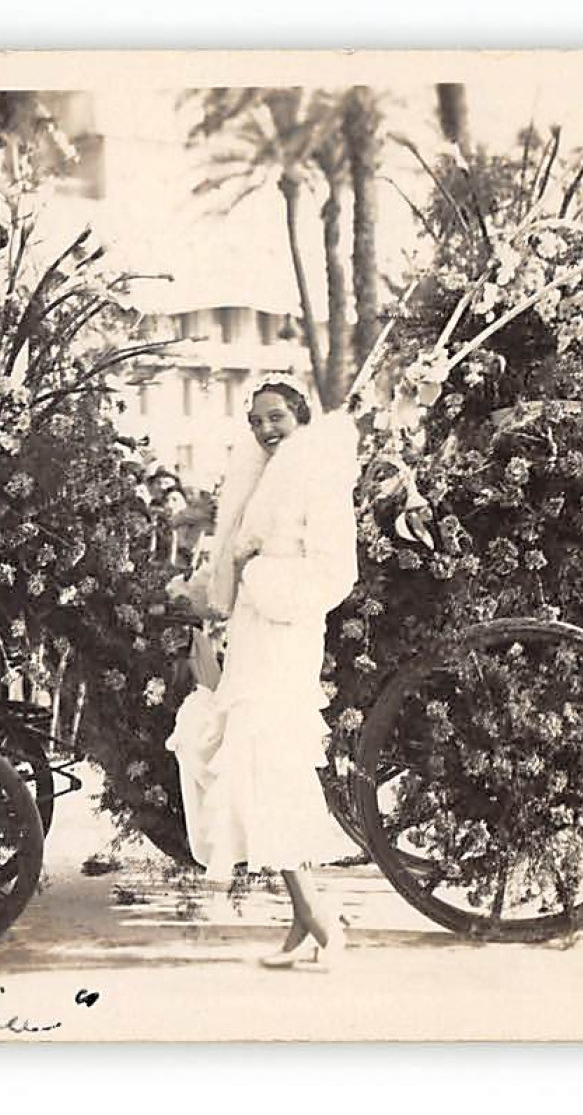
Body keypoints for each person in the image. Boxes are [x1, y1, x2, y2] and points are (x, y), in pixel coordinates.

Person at [165, 374, 358, 972]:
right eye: (256, 421)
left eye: (275, 417)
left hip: (287, 631)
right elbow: (236, 558)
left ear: (300, 419)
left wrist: (259, 576)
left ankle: (319, 917)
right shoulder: (263, 482)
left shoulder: (320, 479)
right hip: (255, 632)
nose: (265, 430)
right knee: (250, 765)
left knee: (263, 766)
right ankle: (305, 918)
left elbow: (334, 573)